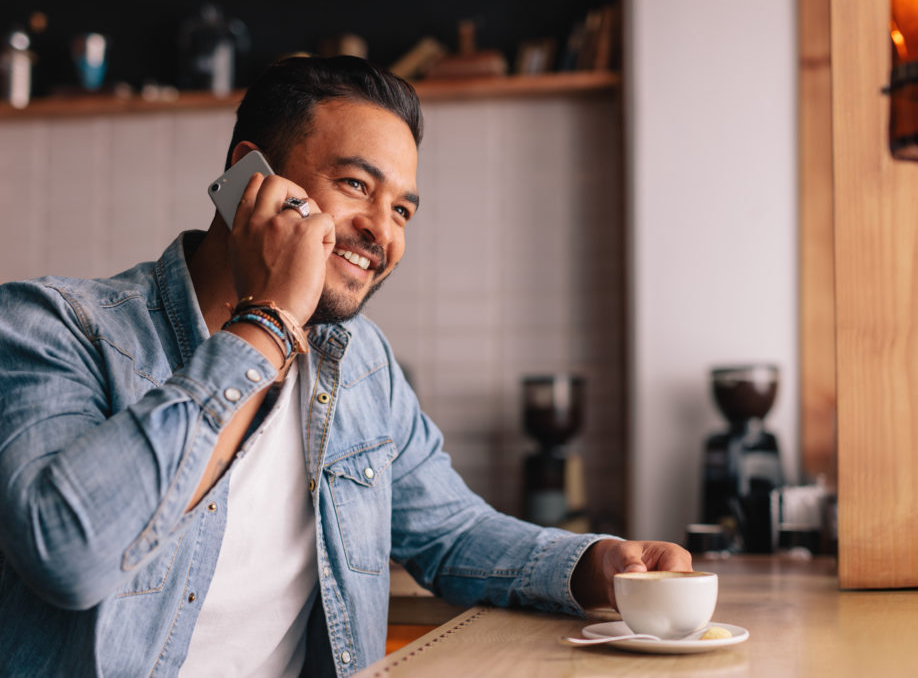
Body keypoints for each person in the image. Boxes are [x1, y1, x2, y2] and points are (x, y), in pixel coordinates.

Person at [0, 55, 690, 676]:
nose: (383, 232)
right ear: (250, 179)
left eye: (402, 211)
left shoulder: (361, 363)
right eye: (357, 185)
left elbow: (450, 531)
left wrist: (595, 564)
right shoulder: (51, 327)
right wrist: (269, 320)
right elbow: (69, 553)